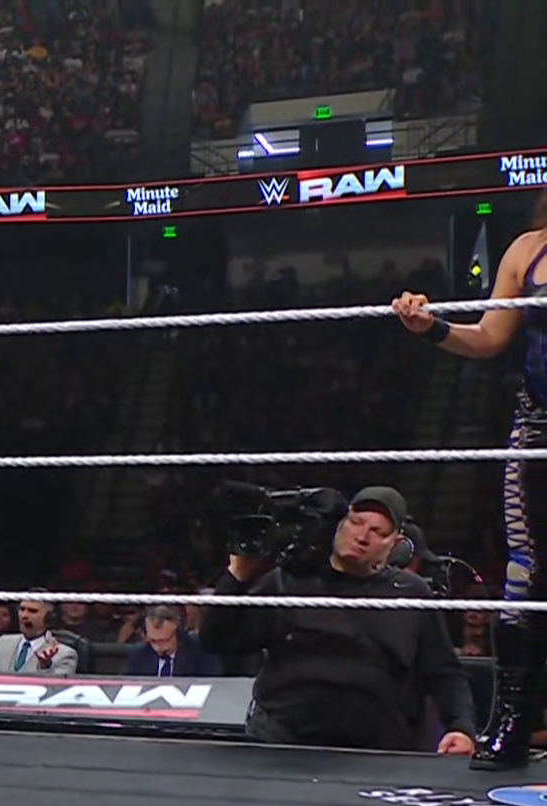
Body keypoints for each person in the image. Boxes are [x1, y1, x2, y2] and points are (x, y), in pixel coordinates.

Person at [393, 193, 547, 767]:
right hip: (539, 428)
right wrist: (430, 327)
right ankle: (514, 724)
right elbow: (488, 337)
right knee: (526, 573)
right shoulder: (528, 251)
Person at [197, 486, 477, 754]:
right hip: (282, 744)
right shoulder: (290, 581)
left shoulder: (410, 593)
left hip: (375, 751)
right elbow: (216, 639)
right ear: (340, 525)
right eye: (356, 522)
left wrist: (461, 728)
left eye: (377, 531)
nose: (362, 536)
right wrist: (236, 576)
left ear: (395, 545)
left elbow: (444, 672)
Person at [120, 605, 223, 678]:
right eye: (153, 641)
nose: (158, 648)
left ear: (177, 632)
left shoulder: (199, 651)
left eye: (164, 640)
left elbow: (215, 685)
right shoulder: (140, 655)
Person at [0, 596, 80, 675]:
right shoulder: (1, 643)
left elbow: (57, 688)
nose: (24, 615)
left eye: (32, 611)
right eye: (22, 609)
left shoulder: (65, 655)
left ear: (49, 617)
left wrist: (45, 667)